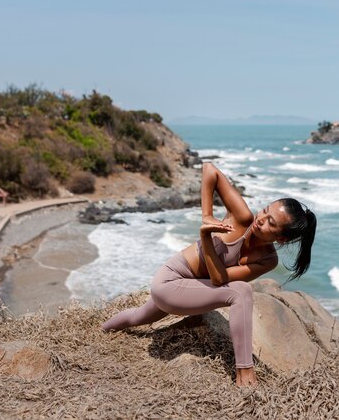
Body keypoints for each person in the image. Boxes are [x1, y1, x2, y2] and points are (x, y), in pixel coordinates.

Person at [102, 162, 317, 386]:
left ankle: (102, 329)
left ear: (281, 239)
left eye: (270, 223)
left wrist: (206, 238)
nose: (260, 219)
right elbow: (210, 169)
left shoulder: (267, 260)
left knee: (137, 318)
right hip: (169, 281)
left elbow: (219, 280)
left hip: (191, 289)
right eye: (265, 210)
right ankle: (245, 372)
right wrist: (207, 216)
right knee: (242, 291)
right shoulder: (242, 217)